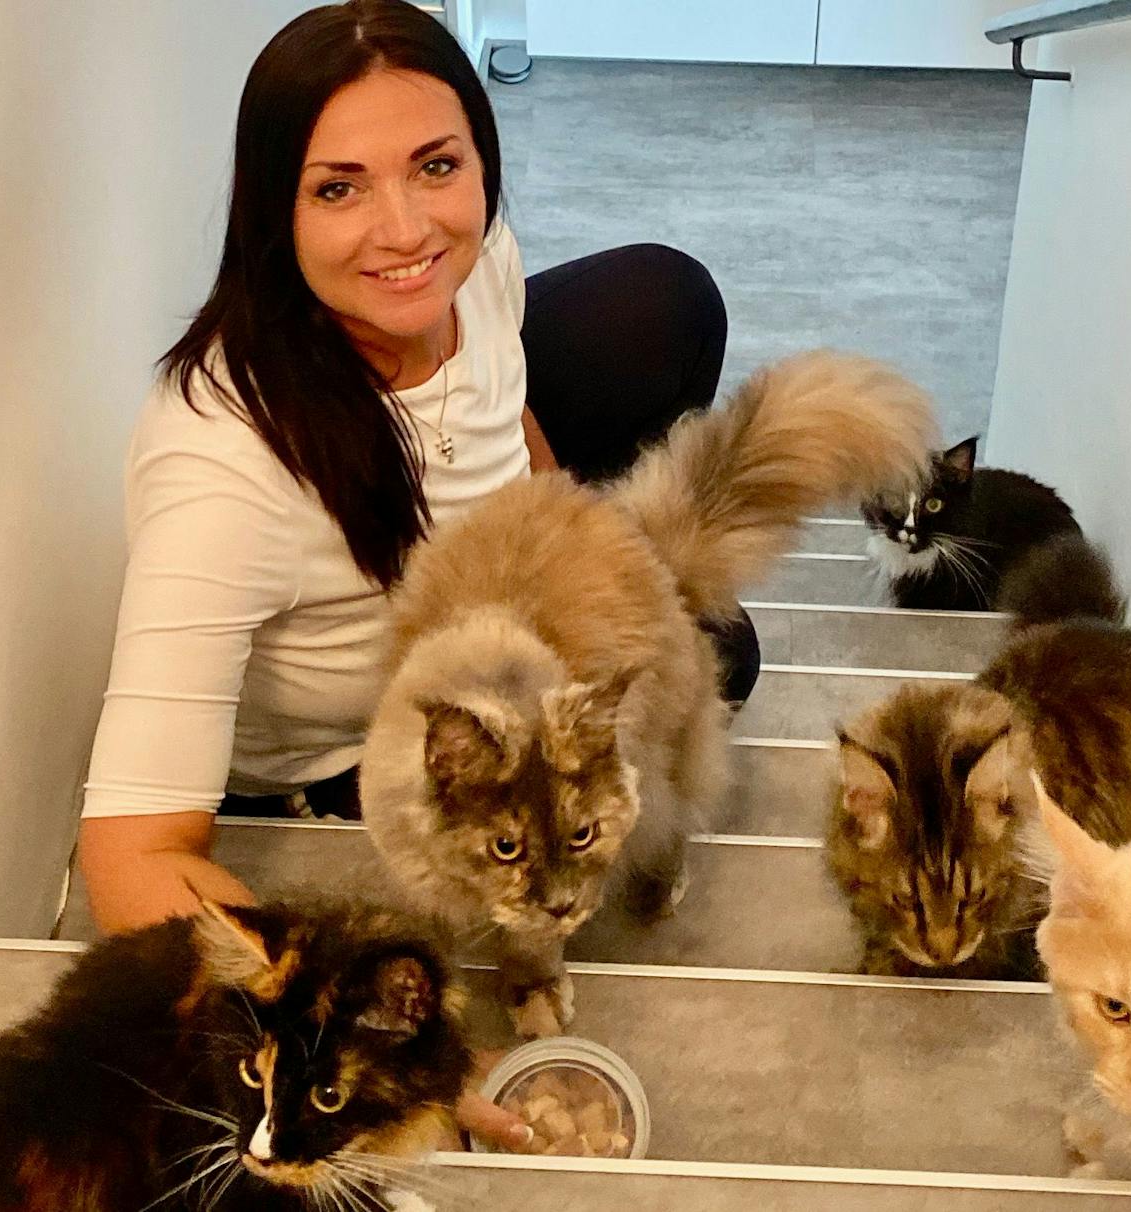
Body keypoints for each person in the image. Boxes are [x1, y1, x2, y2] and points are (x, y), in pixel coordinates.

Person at [76, 0, 758, 1149]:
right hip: (366, 747)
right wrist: (393, 1049)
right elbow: (131, 854)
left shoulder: (471, 266)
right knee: (728, 660)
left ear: (482, 163)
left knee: (666, 307)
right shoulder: (219, 465)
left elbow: (509, 419)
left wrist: (579, 537)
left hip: (497, 609)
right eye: (338, 187)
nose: (404, 231)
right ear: (272, 209)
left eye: (436, 166)